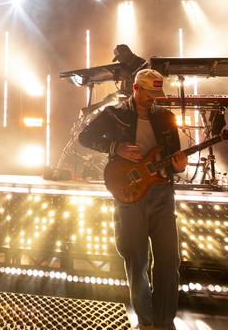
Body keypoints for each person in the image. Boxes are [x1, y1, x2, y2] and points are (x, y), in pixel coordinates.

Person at [78, 69, 187, 330]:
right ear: (137, 89)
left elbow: (172, 157)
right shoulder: (114, 114)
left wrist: (179, 165)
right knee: (136, 259)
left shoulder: (167, 118)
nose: (153, 99)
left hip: (162, 192)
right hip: (130, 192)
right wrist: (116, 147)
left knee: (169, 260)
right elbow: (85, 137)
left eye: (156, 95)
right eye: (149, 94)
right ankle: (146, 323)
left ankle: (165, 322)